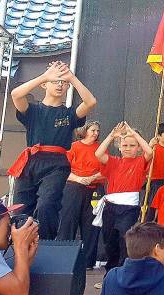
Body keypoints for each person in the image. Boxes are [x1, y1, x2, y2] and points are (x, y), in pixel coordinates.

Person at [8, 61, 96, 239]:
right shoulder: (33, 110)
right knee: (20, 208)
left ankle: (46, 244)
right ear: (44, 84)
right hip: (30, 161)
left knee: (47, 204)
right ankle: (18, 246)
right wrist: (45, 75)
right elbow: (16, 94)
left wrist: (71, 77)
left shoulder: (69, 114)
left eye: (63, 82)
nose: (60, 84)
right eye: (55, 81)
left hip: (57, 164)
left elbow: (90, 101)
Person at [94, 123, 154, 287]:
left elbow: (149, 151)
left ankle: (124, 274)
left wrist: (134, 134)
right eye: (125, 145)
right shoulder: (113, 161)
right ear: (119, 147)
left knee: (124, 240)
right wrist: (112, 136)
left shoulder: (140, 161)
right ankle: (110, 275)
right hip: (110, 206)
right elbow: (98, 153)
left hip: (128, 208)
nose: (128, 148)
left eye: (132, 145)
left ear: (138, 148)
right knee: (109, 241)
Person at [58, 121, 104, 271]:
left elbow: (106, 168)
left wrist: (92, 178)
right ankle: (64, 259)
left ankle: (88, 262)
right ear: (85, 131)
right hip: (73, 187)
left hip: (94, 188)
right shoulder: (75, 146)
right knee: (68, 222)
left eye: (97, 130)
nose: (96, 133)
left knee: (91, 225)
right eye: (93, 130)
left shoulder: (100, 148)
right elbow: (64, 168)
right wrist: (78, 179)